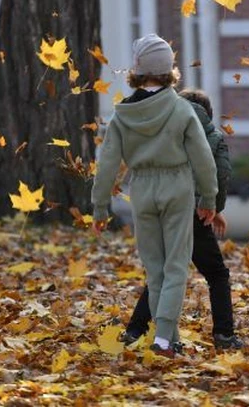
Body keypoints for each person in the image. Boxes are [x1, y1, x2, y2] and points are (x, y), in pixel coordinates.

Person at [91, 34, 217, 358]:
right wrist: (209, 199)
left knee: (155, 268)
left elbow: (107, 163)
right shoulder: (182, 110)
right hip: (177, 185)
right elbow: (203, 157)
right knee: (176, 265)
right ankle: (163, 339)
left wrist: (100, 206)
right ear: (169, 70)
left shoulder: (123, 115)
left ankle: (168, 338)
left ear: (137, 70)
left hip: (142, 189)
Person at [122, 88, 244, 350]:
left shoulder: (164, 132)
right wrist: (212, 207)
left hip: (162, 206)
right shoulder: (211, 136)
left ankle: (135, 330)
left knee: (162, 273)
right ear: (208, 114)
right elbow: (219, 174)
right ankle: (224, 334)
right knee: (217, 275)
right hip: (194, 212)